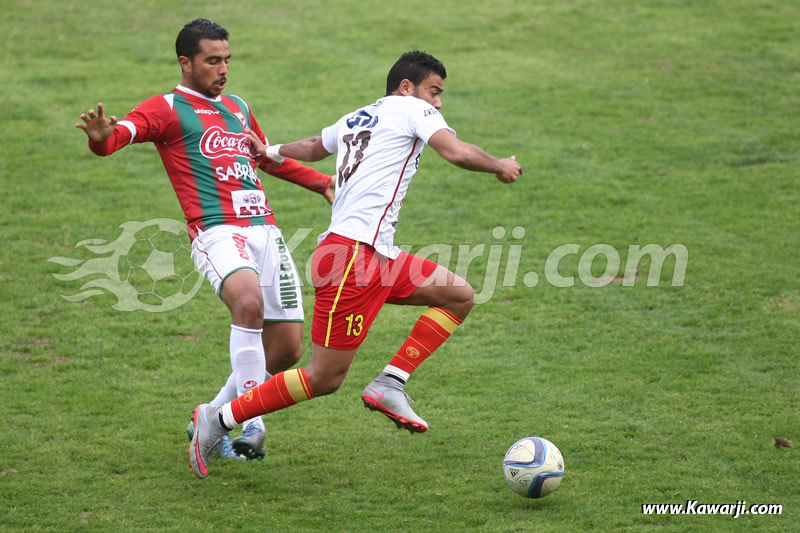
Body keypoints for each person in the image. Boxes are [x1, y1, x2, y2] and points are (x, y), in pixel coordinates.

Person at [188, 50, 522, 478]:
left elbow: (313, 147)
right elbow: (454, 151)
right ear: (407, 87)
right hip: (351, 260)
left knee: (458, 295)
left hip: (375, 254)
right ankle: (217, 419)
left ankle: (390, 382)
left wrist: (268, 149)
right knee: (325, 377)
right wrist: (499, 166)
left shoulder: (359, 117)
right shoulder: (411, 108)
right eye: (434, 92)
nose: (437, 103)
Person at [76, 19, 333, 463]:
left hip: (265, 231)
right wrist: (102, 141)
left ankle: (210, 417)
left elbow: (265, 157)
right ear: (186, 62)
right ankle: (251, 419)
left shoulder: (237, 106)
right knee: (248, 305)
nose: (223, 69)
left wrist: (322, 183)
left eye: (227, 59)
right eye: (213, 60)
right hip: (217, 230)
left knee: (287, 349)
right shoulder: (167, 107)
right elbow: (119, 137)